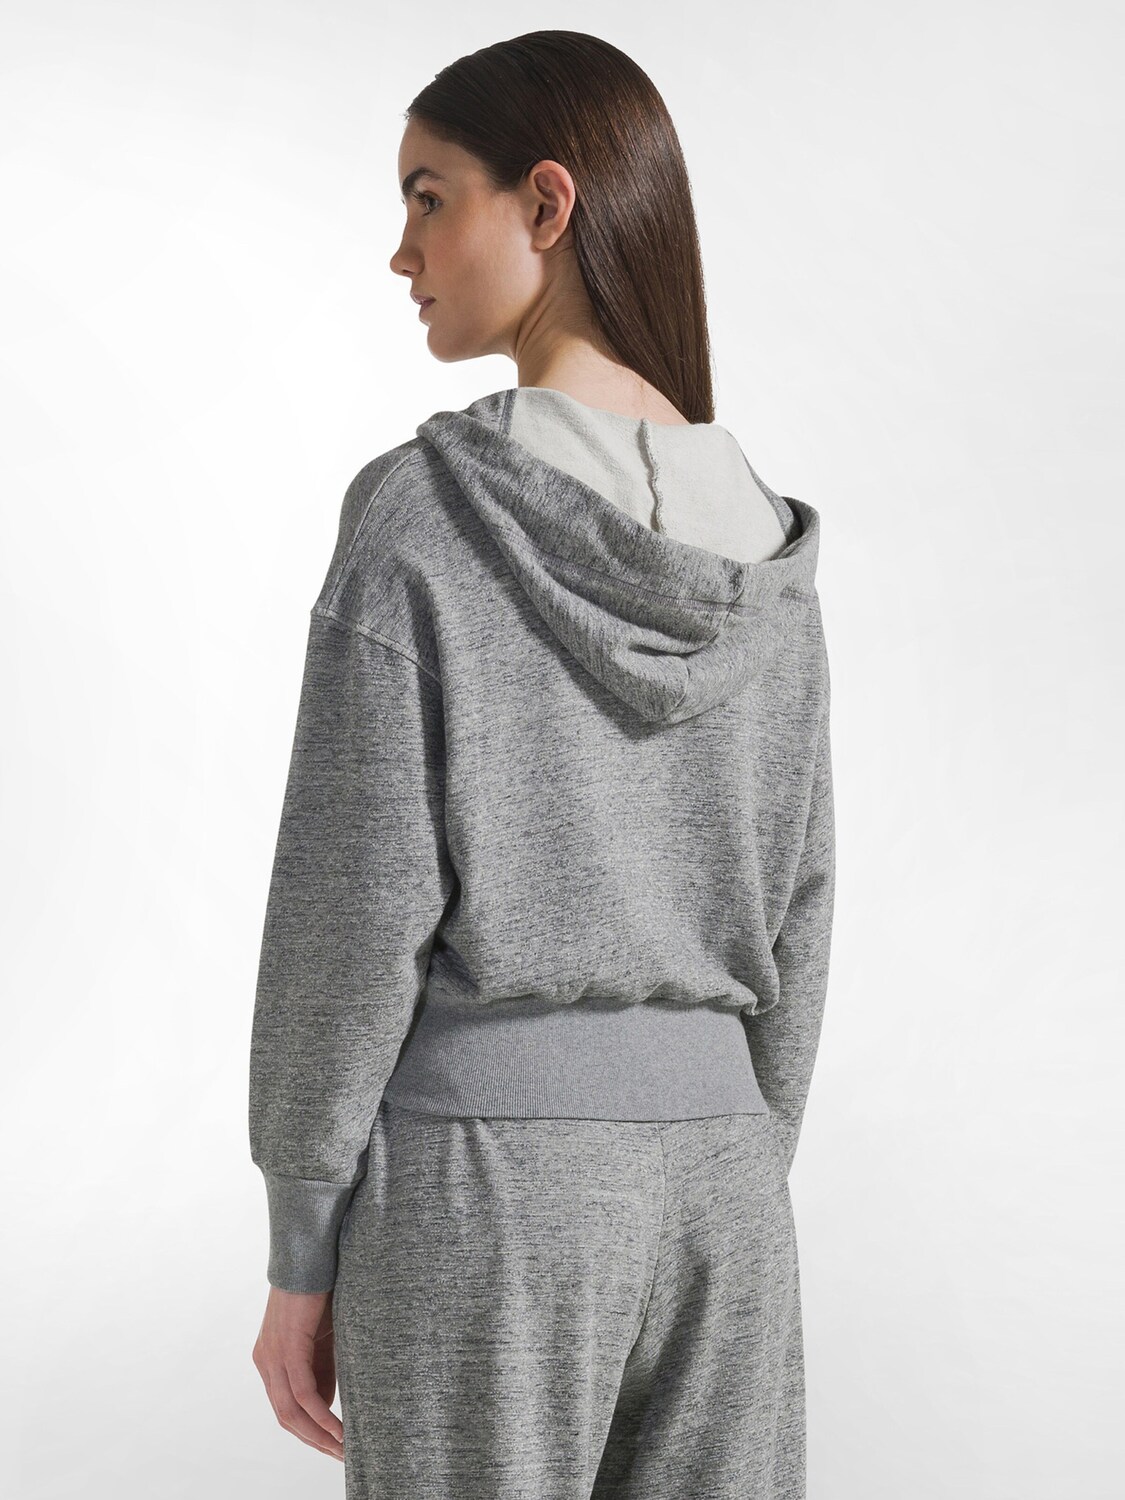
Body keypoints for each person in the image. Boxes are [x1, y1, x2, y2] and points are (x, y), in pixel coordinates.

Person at [249, 28, 835, 1500]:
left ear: (550, 203)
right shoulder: (769, 553)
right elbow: (799, 911)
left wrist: (304, 1239)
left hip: (485, 1190)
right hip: (727, 1194)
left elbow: (349, 907)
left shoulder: (424, 515)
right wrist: (735, 1149)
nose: (402, 251)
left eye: (429, 197)